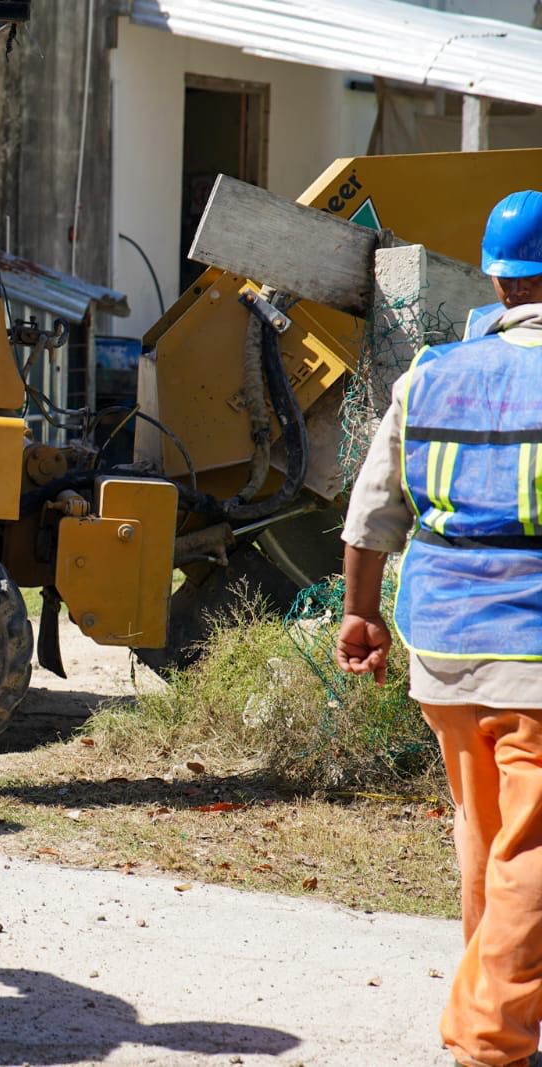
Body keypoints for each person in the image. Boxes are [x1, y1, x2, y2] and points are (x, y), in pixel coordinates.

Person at [336, 188, 542, 1067]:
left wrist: (359, 614)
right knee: (529, 852)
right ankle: (489, 1038)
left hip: (446, 649)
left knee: (484, 833)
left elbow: (369, 513)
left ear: (497, 282)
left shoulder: (429, 373)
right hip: (533, 649)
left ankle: (487, 1007)